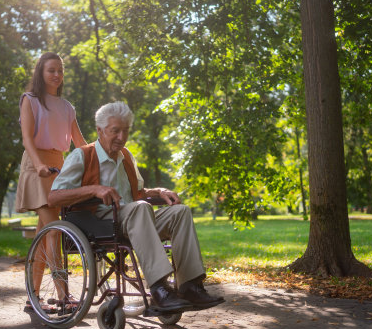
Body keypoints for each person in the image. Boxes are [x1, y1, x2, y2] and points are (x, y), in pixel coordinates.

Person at [48, 102, 224, 313]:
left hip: (135, 220)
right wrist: (94, 189)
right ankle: (159, 289)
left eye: (126, 131)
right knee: (140, 209)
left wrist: (158, 191)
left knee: (180, 212)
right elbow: (54, 197)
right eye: (115, 131)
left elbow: (138, 192)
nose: (121, 137)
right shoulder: (82, 156)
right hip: (100, 224)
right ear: (100, 130)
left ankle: (189, 286)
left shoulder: (127, 157)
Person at [14, 52, 87, 310]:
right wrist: (39, 165)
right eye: (51, 70)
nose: (56, 75)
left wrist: (103, 157)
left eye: (60, 70)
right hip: (37, 167)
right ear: (41, 73)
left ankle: (32, 297)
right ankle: (64, 295)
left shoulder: (67, 107)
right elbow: (27, 140)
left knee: (45, 234)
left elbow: (80, 144)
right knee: (54, 230)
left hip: (59, 169)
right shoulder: (30, 100)